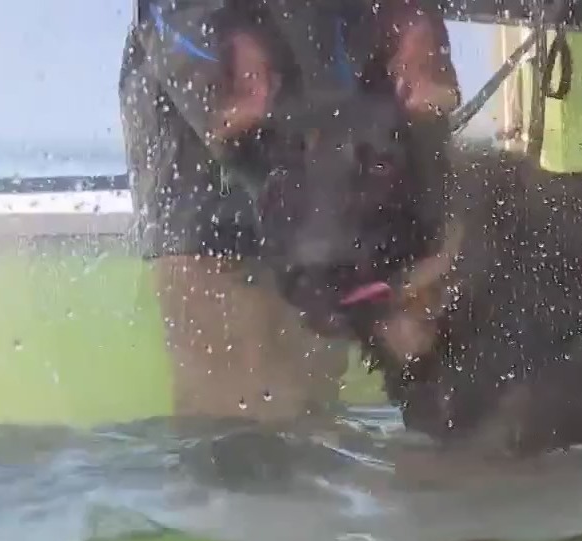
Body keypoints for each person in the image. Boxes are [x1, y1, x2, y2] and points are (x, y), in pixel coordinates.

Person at [118, 0, 460, 422]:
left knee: (312, 423)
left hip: (332, 122)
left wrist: (412, 20)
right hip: (220, 130)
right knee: (248, 432)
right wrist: (224, 48)